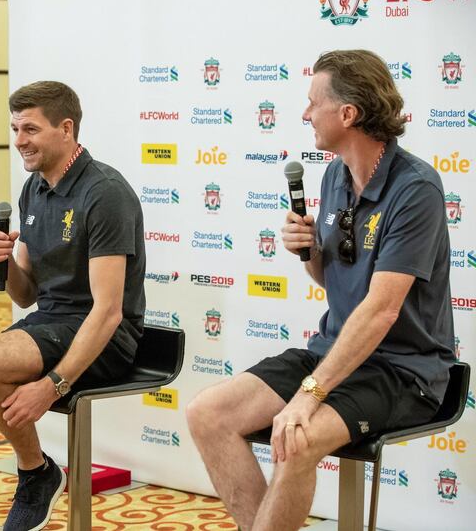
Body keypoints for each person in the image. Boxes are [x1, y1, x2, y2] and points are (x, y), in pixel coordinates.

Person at [186, 49, 455, 531]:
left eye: (314, 103)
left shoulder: (417, 189)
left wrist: (310, 394)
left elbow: (381, 311)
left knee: (297, 434)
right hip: (335, 353)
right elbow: (332, 278)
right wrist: (309, 251)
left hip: (401, 370)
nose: (306, 114)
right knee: (209, 413)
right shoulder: (333, 175)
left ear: (348, 114)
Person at [0, 81, 146, 530]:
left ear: (66, 128)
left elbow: (109, 310)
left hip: (105, 338)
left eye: (30, 129)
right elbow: (24, 295)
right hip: (47, 325)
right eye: (15, 128)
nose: (19, 140)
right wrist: (6, 263)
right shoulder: (33, 189)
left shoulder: (105, 192)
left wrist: (53, 385)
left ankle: (36, 471)